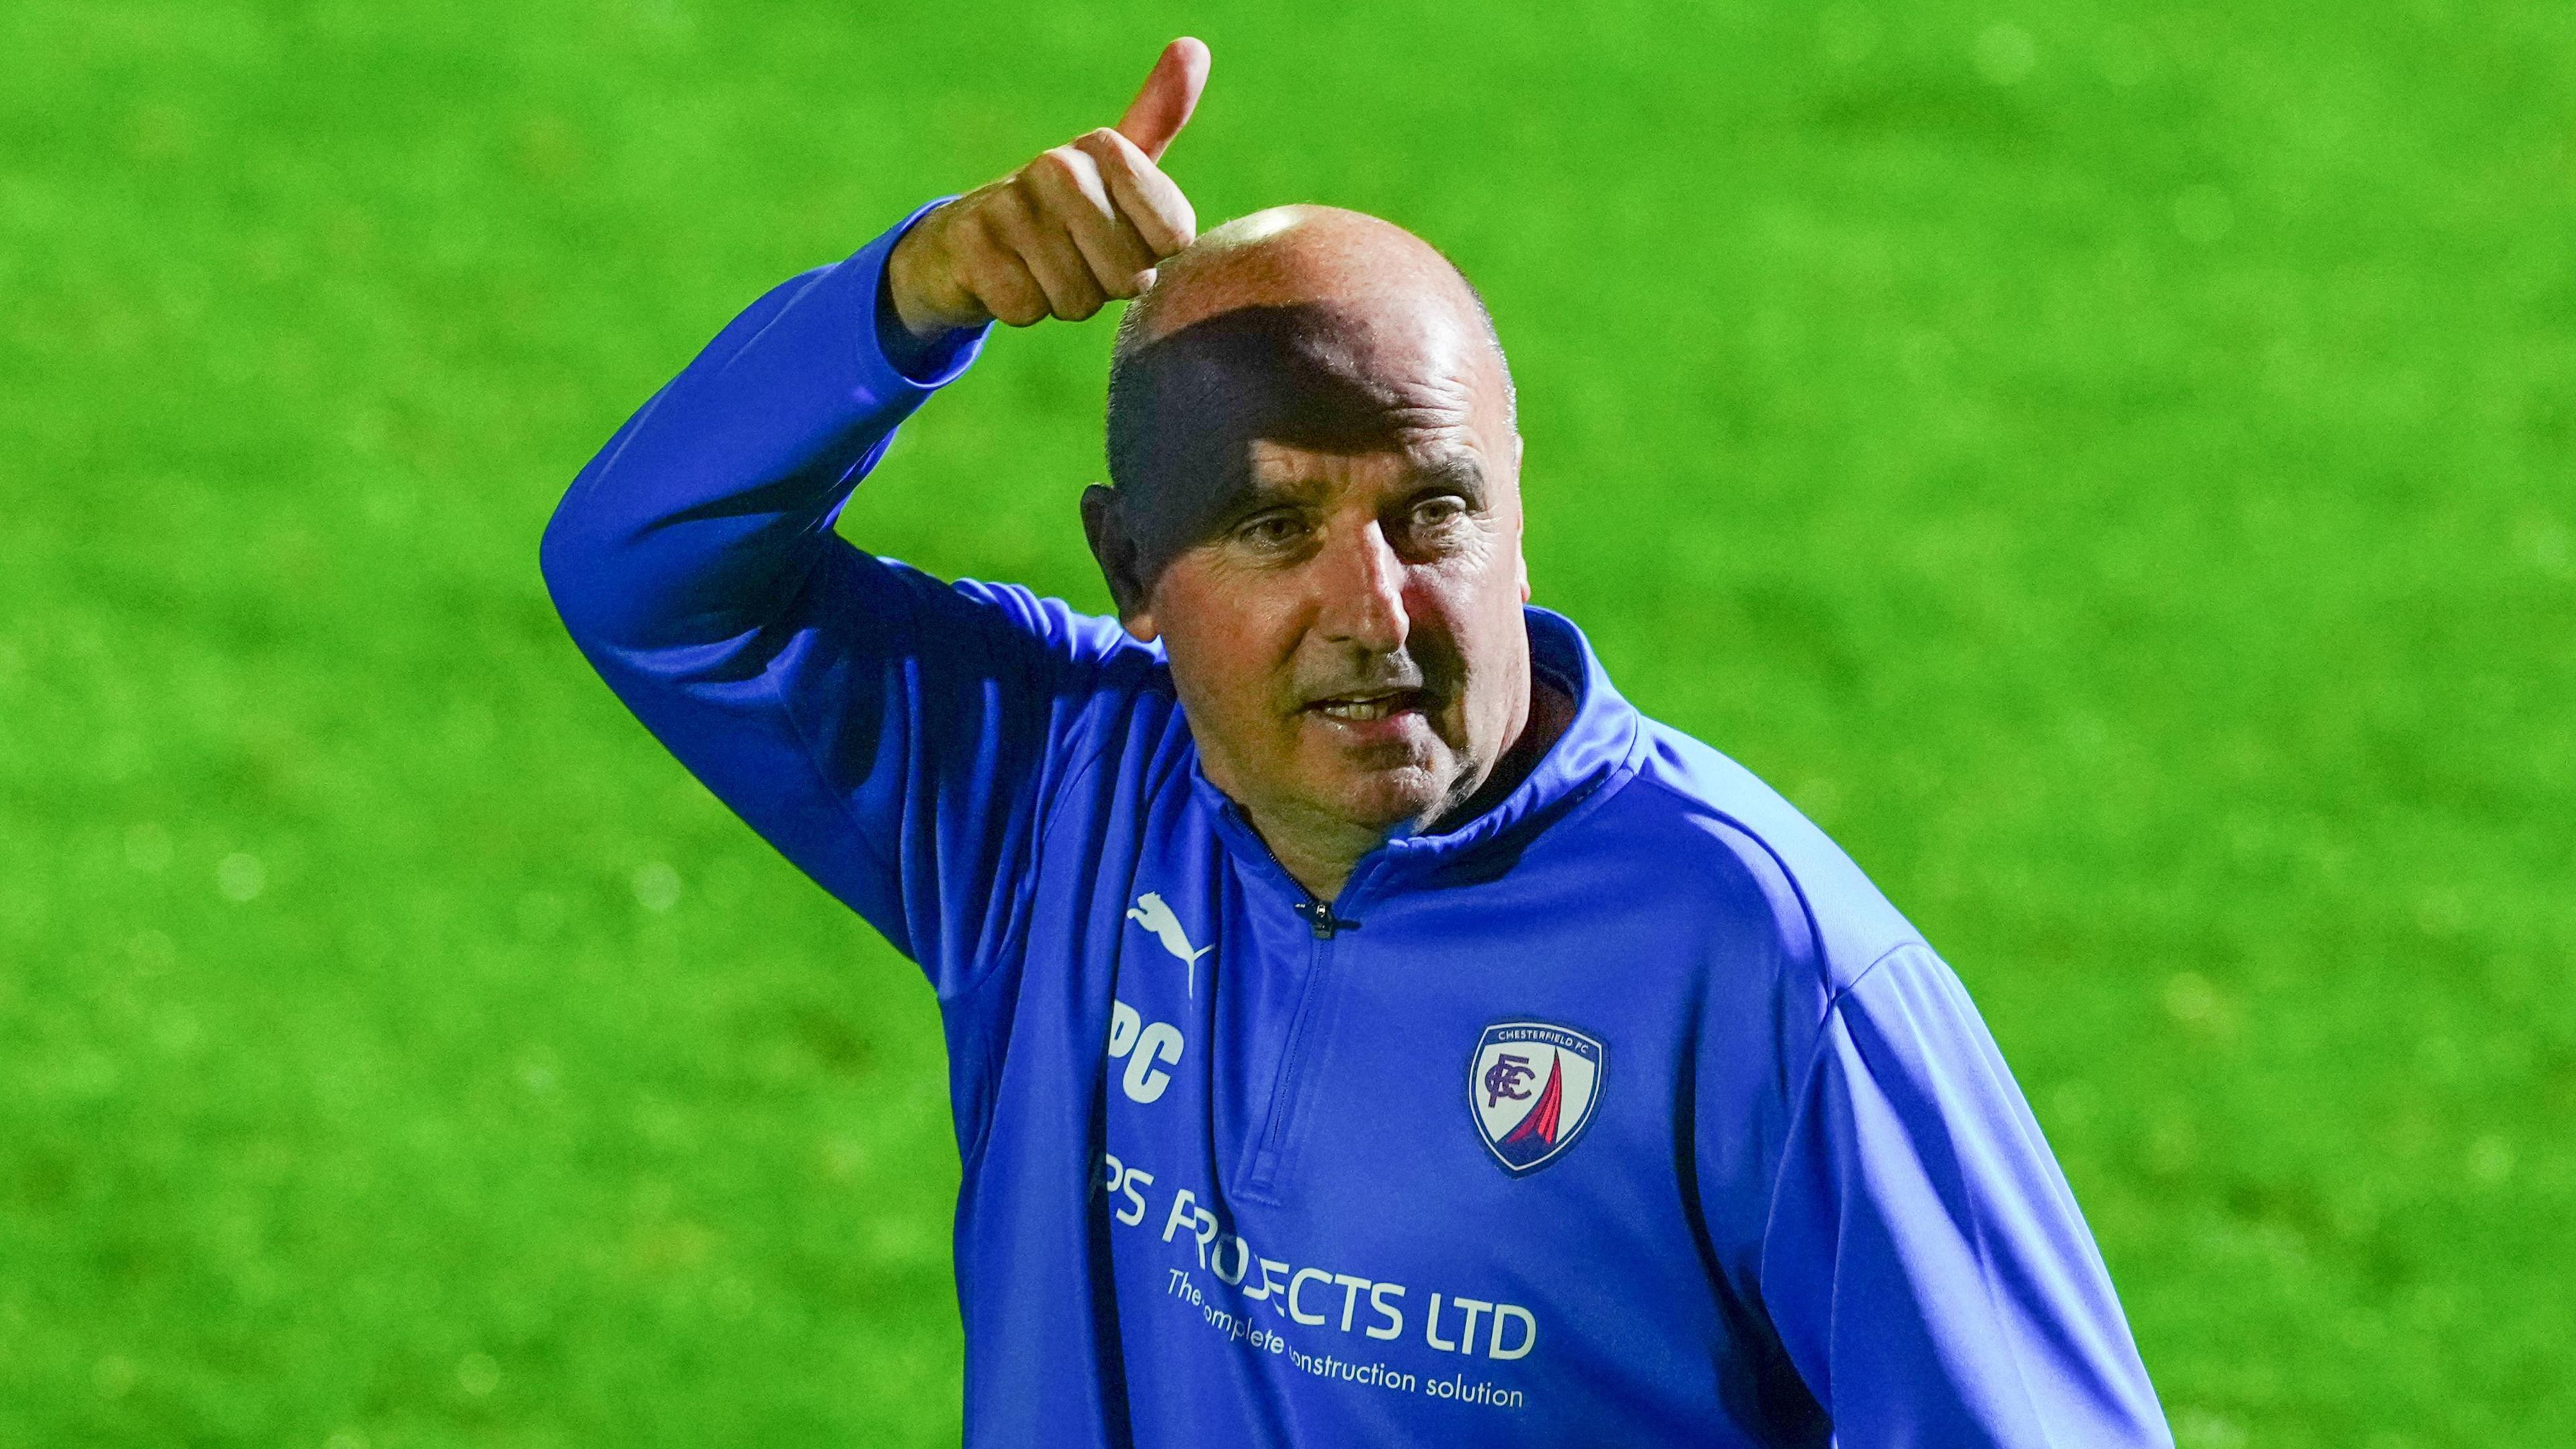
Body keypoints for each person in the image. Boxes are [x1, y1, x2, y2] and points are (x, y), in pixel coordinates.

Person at [540, 36, 2173, 1448]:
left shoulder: (1761, 964)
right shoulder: (1042, 802)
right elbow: (643, 575)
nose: (1376, 606)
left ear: (1522, 516)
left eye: (1434, 510)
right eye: (1271, 525)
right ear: (1131, 577)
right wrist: (908, 300)